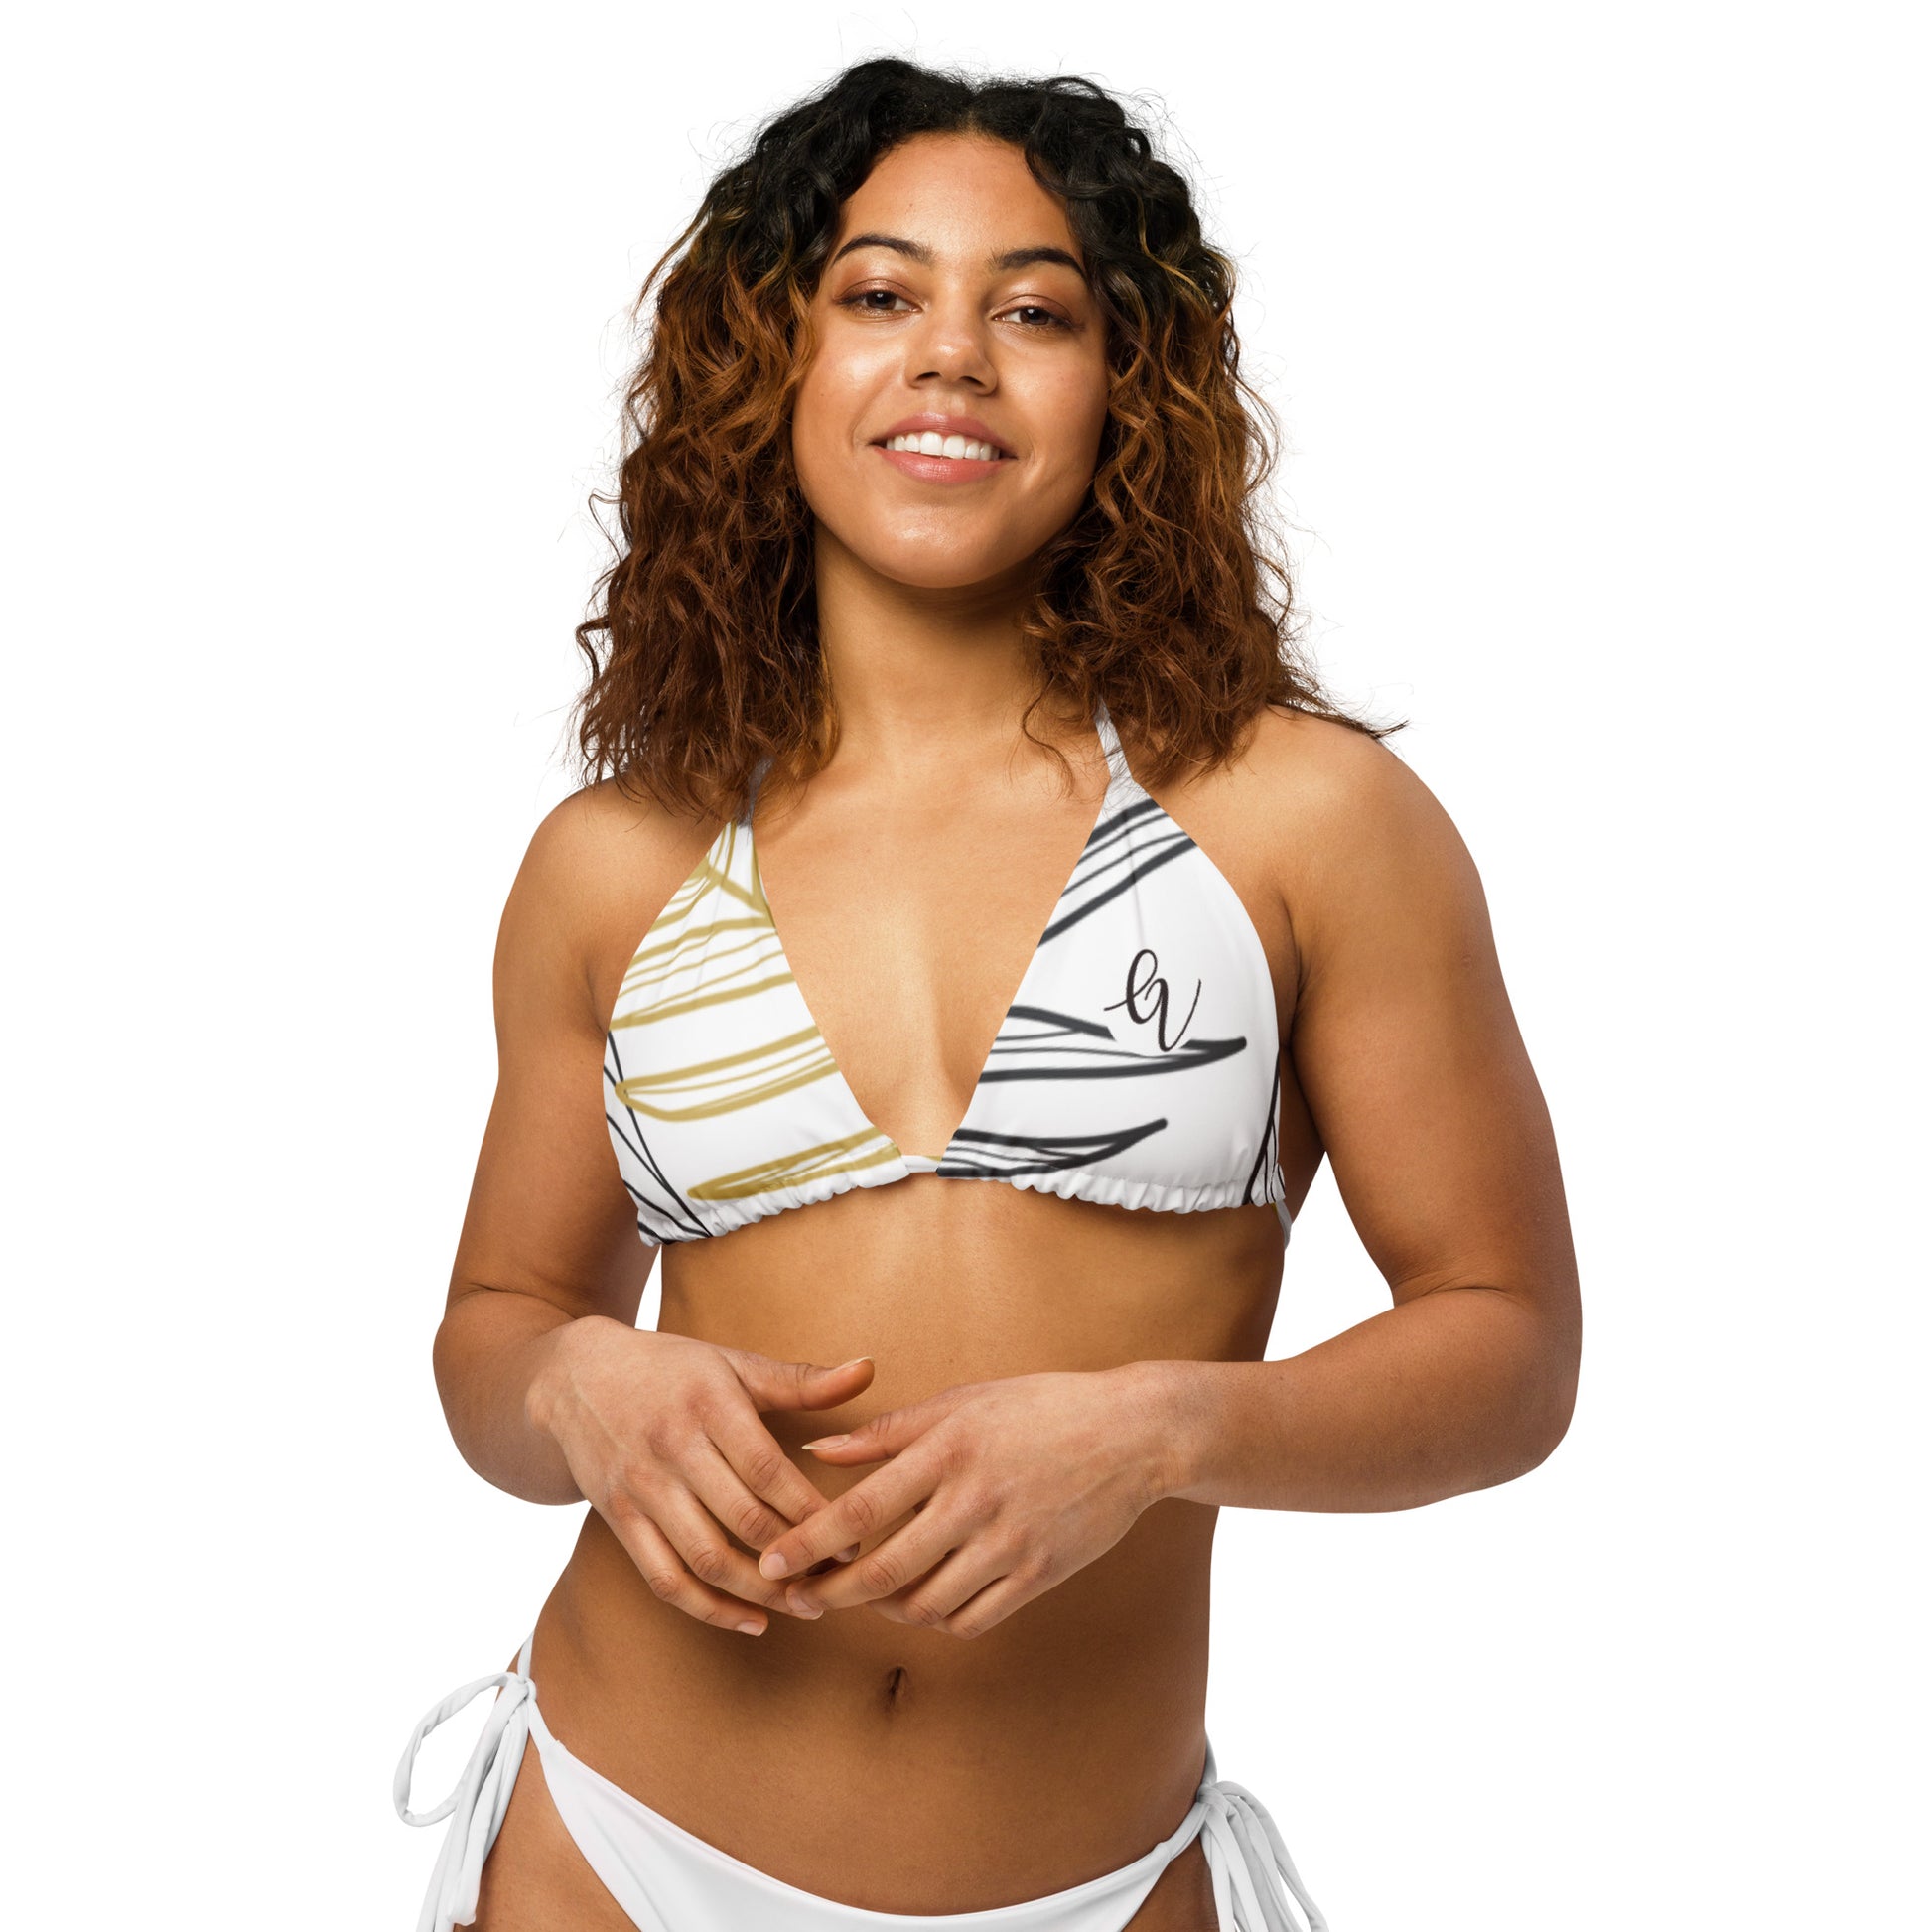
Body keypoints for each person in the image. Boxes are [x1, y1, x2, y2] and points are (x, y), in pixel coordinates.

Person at [392, 55, 1581, 1932]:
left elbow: (1507, 1346)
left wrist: (1162, 1430)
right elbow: (494, 1333)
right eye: (879, 294)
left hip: (1092, 1876)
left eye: (1033, 311)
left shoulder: (1302, 821)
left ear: (1126, 388)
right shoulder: (616, 862)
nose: (950, 354)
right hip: (612, 1839)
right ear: (772, 366)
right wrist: (575, 1378)